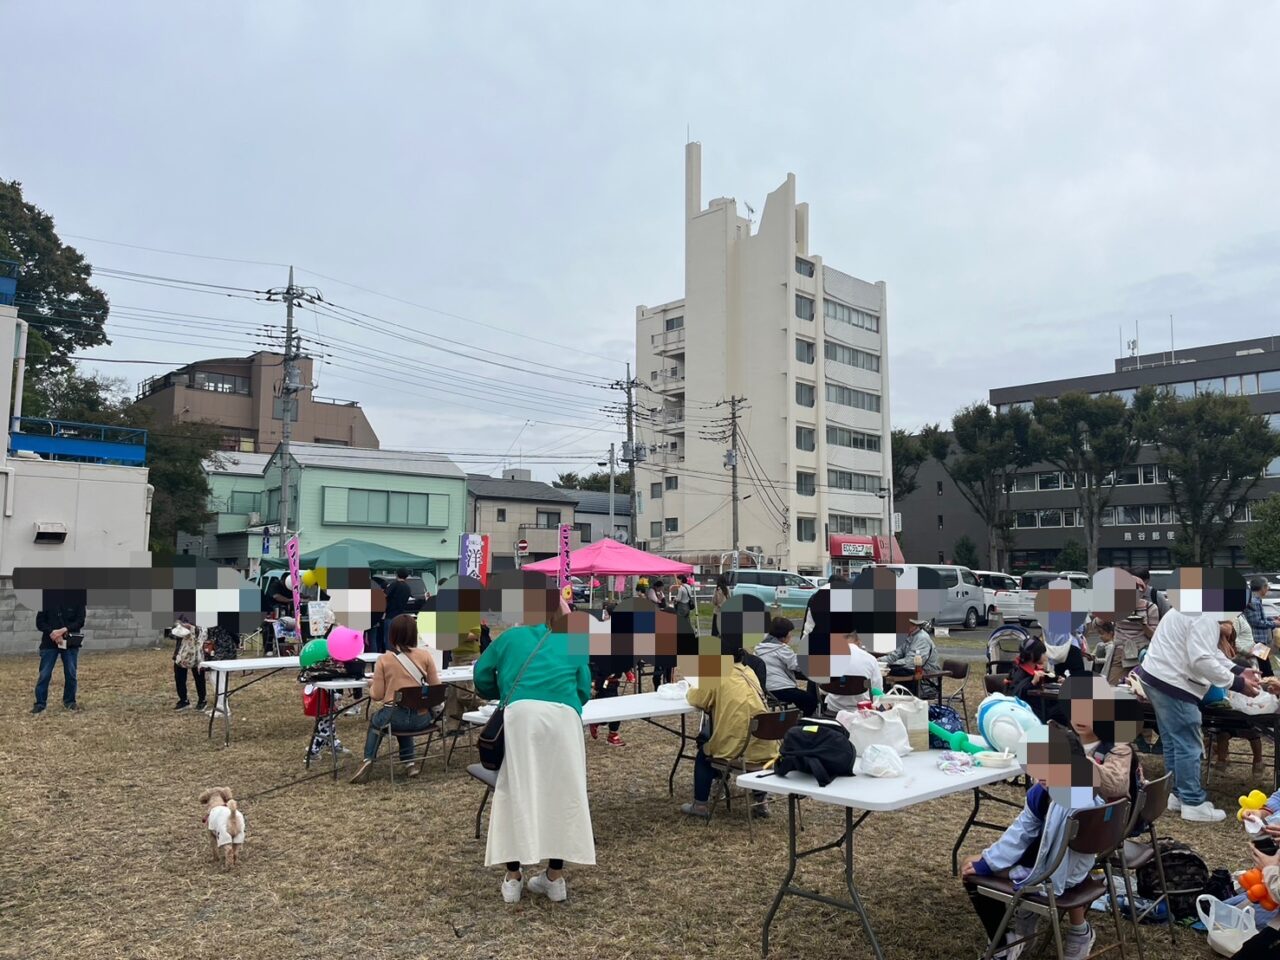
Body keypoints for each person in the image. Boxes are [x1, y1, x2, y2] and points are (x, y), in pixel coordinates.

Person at [473, 606, 594, 904]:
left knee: (516, 791)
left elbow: (481, 675)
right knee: (562, 794)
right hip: (564, 718)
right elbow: (583, 690)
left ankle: (513, 877)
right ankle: (554, 877)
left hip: (521, 717)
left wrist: (501, 690)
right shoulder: (573, 641)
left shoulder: (510, 637)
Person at [961, 726, 1103, 960]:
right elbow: (1022, 831)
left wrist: (990, 866)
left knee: (970, 871)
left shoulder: (1072, 803)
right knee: (982, 861)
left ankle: (1005, 944)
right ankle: (1027, 928)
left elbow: (1046, 864)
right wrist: (990, 861)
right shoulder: (1064, 789)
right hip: (1077, 869)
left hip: (1058, 875)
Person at [1135, 606, 1261, 821]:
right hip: (1173, 682)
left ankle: (1176, 794)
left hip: (1156, 677)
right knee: (1188, 743)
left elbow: (1209, 653)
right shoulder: (1205, 615)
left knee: (1174, 741)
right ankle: (1193, 802)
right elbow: (1201, 659)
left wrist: (1238, 671)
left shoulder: (1194, 608)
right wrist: (1238, 684)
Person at [680, 654, 779, 820]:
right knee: (751, 751)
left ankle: (700, 805)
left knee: (705, 752)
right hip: (768, 749)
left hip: (738, 750)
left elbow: (696, 698)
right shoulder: (749, 672)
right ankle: (761, 802)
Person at [349, 614, 442, 783]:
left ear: (391, 635)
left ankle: (368, 759)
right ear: (414, 634)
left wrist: (371, 684)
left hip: (395, 717)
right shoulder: (426, 656)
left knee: (379, 721)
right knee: (405, 708)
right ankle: (410, 763)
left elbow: (377, 695)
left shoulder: (384, 660)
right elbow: (436, 689)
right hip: (422, 718)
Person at [33, 591, 86, 713]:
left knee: (71, 673)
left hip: (70, 642)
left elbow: (80, 620)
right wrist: (52, 633)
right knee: (44, 674)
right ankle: (40, 704)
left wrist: (63, 630)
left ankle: (70, 702)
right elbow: (40, 622)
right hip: (49, 642)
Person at [754, 617, 819, 715]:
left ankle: (795, 717)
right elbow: (797, 665)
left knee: (800, 698)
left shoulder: (759, 647)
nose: (791, 636)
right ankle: (803, 722)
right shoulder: (781, 648)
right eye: (790, 633)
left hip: (765, 689)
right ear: (783, 637)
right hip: (781, 688)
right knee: (810, 700)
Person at [1107, 571, 1160, 684]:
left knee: (1140, 687)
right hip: (1120, 653)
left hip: (1142, 652)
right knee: (1114, 686)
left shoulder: (1150, 607)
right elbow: (1097, 624)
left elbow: (1154, 636)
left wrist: (1143, 624)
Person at [881, 618, 942, 700]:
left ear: (914, 625)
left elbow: (911, 662)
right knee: (885, 672)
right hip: (912, 675)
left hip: (925, 681)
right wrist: (878, 661)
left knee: (890, 671)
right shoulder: (910, 636)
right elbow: (895, 655)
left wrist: (888, 666)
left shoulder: (922, 638)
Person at [823, 631, 882, 714]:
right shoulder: (871, 659)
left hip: (833, 710)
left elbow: (823, 689)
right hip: (862, 712)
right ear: (858, 640)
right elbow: (877, 690)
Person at [1009, 637, 1058, 724]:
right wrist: (1032, 682)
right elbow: (1016, 693)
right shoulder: (1020, 673)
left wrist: (1057, 678)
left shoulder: (1036, 669)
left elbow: (1047, 677)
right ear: (1032, 655)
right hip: (1030, 712)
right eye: (1043, 653)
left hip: (1042, 705)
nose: (1045, 656)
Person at [1245, 576, 1280, 678]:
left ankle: (1269, 687)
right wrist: (1275, 624)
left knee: (1265, 666)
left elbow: (1260, 618)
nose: (1268, 589)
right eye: (1267, 587)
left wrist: (1272, 619)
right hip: (1257, 641)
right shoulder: (1254, 601)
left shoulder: (1255, 599)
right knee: (1266, 669)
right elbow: (1256, 622)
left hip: (1259, 640)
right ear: (1263, 587)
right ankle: (1270, 688)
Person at [171, 617, 207, 712]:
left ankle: (202, 700)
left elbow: (205, 633)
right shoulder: (181, 616)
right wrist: (178, 626)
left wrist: (191, 627)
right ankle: (183, 700)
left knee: (199, 677)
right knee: (179, 678)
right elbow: (173, 634)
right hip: (182, 653)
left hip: (198, 654)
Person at [377, 568, 413, 655]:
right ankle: (398, 656)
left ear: (396, 574)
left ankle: (390, 656)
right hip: (400, 616)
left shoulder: (395, 584)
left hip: (390, 615)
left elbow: (384, 595)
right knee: (398, 639)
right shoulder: (408, 588)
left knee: (388, 639)